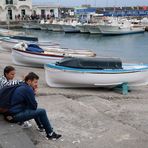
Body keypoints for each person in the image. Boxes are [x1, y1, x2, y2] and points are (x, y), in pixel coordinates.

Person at [8, 72, 61, 140]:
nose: (36, 84)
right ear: (29, 81)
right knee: (42, 111)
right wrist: (33, 93)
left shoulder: (22, 85)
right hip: (15, 116)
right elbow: (34, 106)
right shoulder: (28, 89)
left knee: (37, 111)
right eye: (35, 82)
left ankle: (41, 126)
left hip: (12, 113)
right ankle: (50, 134)